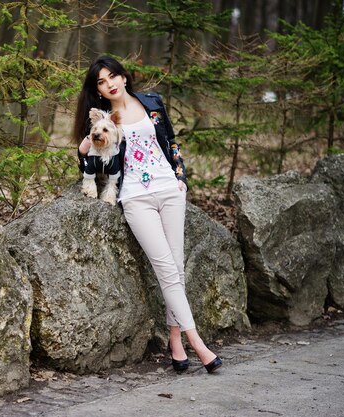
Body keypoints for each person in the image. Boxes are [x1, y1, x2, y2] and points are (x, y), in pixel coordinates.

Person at [73, 55, 222, 374]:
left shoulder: (152, 102)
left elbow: (171, 141)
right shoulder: (106, 119)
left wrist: (181, 178)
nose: (109, 83)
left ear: (124, 77)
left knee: (177, 268)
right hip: (136, 197)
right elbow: (89, 154)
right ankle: (197, 342)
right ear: (97, 89)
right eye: (101, 81)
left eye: (112, 75)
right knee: (166, 267)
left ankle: (175, 341)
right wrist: (88, 139)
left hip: (169, 190)